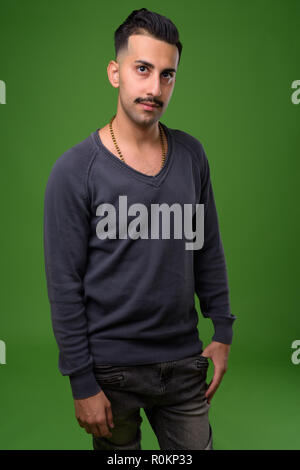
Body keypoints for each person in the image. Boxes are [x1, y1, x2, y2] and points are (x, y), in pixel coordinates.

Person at [43, 8, 237, 451]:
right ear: (115, 72)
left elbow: (207, 248)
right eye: (142, 69)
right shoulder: (75, 170)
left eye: (167, 75)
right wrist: (81, 382)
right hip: (111, 373)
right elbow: (63, 283)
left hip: (184, 364)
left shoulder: (191, 155)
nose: (155, 88)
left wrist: (222, 332)